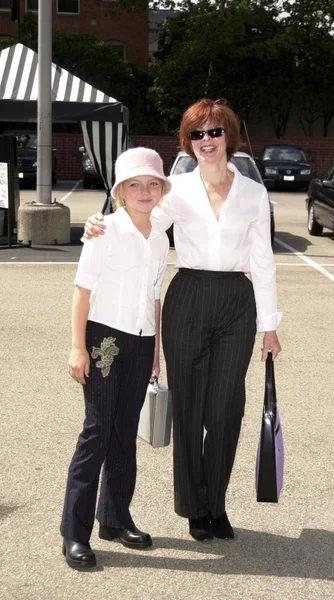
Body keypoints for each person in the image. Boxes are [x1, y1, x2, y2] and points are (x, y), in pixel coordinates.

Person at [84, 98, 282, 543]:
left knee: (226, 409)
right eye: (197, 134)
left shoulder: (254, 193)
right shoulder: (175, 188)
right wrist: (100, 223)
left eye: (214, 132)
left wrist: (269, 324)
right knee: (190, 408)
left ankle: (217, 503)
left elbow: (263, 259)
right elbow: (141, 220)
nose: (206, 141)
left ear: (229, 136)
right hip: (188, 297)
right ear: (187, 142)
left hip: (237, 300)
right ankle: (195, 509)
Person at [60, 147, 171, 569]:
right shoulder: (104, 230)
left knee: (126, 432)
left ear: (161, 190)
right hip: (104, 341)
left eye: (152, 183)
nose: (144, 191)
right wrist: (76, 346)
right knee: (98, 432)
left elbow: (155, 298)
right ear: (121, 192)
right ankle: (75, 531)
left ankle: (114, 516)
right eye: (134, 184)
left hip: (142, 344)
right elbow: (82, 290)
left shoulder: (160, 237)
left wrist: (156, 351)